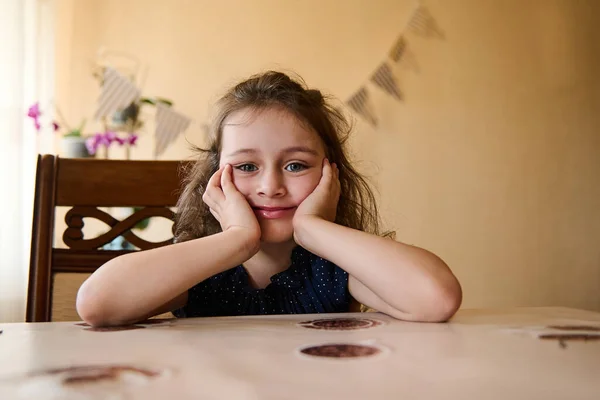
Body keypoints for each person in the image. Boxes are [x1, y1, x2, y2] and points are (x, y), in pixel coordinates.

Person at [76, 71, 462, 327]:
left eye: (295, 166)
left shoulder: (336, 268)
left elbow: (437, 298)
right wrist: (236, 240)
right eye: (246, 167)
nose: (270, 186)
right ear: (216, 177)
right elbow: (97, 304)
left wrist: (313, 229)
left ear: (331, 173)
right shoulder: (200, 265)